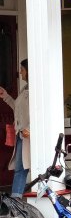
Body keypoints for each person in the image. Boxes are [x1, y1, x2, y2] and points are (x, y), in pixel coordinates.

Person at [0, 59, 29, 198]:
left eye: (22, 69)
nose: (20, 72)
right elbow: (17, 109)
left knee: (22, 169)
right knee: (20, 169)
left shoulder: (35, 90)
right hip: (21, 135)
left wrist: (30, 128)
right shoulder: (25, 89)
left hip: (28, 136)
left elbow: (41, 113)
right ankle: (16, 200)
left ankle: (16, 201)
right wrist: (5, 96)